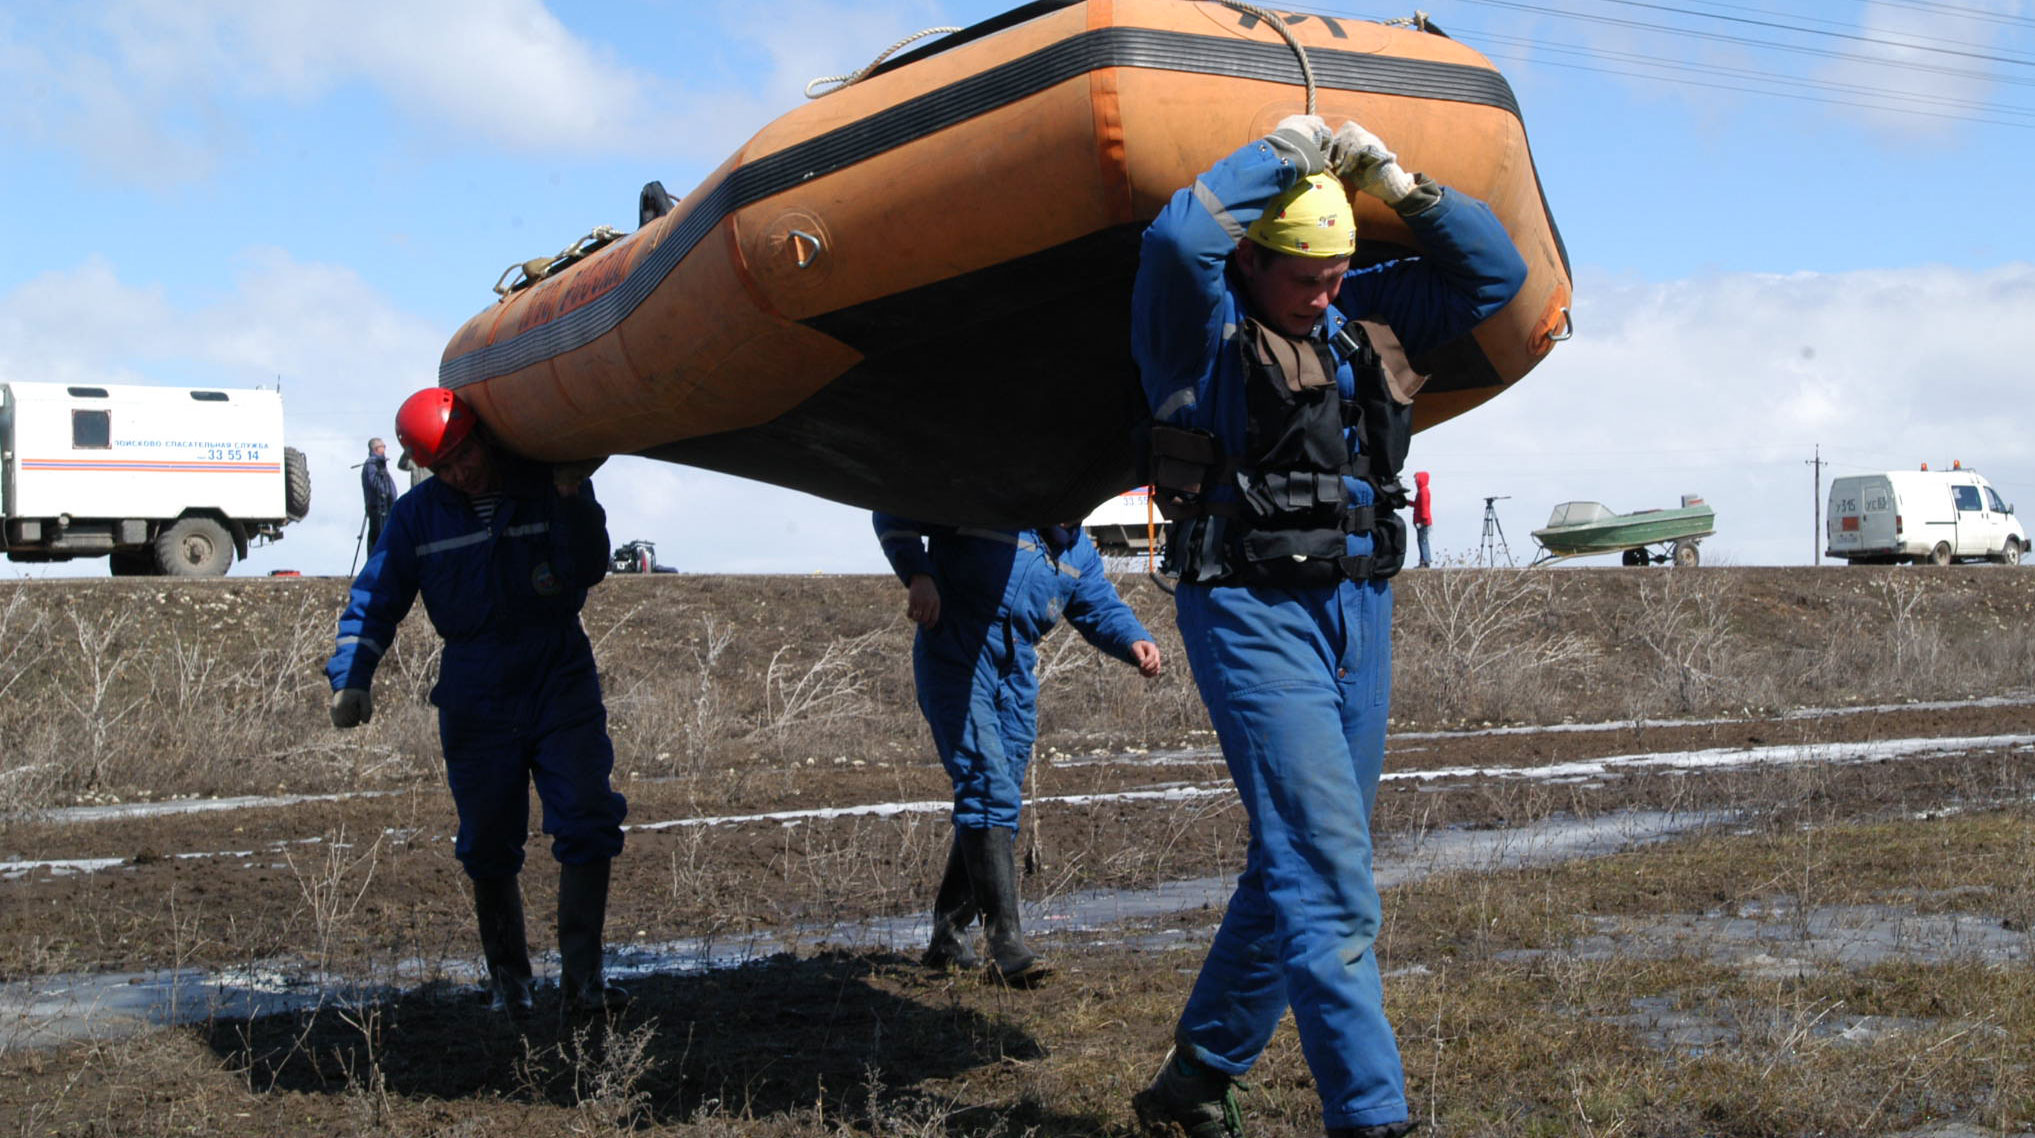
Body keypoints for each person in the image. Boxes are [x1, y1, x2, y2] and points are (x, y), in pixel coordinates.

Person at [1128, 115, 1527, 1137]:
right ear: (1255, 257)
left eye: (1339, 270)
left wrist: (1400, 182)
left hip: (1359, 609)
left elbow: (1491, 277)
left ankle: (1195, 1076)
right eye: (1304, 274)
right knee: (1331, 881)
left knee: (1299, 861)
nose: (1324, 292)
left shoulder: (1361, 316)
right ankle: (1373, 1116)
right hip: (1253, 614)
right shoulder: (1199, 326)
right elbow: (1177, 239)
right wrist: (1286, 155)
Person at [326, 388, 627, 1019]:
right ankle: (510, 986)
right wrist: (354, 674)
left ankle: (585, 985)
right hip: (475, 686)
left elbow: (590, 566)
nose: (462, 471)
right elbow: (378, 594)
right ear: (425, 468)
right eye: (445, 466)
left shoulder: (550, 485)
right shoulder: (417, 517)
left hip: (558, 672)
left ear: (482, 438)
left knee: (588, 818)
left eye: (465, 455)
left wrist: (573, 498)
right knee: (488, 839)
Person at [873, 514, 1162, 985]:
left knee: (997, 791)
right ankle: (1005, 944)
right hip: (957, 655)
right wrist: (919, 573)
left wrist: (1134, 639)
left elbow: (1098, 606)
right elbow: (892, 509)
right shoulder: (987, 502)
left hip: (1015, 674)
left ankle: (948, 935)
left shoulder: (1078, 552)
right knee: (989, 786)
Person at [361, 437, 398, 548]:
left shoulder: (379, 465)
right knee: (380, 541)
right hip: (379, 509)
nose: (385, 450)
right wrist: (388, 495)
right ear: (376, 449)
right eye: (383, 447)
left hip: (385, 508)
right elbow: (375, 484)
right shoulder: (372, 464)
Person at [1411, 471, 1433, 569]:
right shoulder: (1422, 491)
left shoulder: (1423, 491)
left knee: (1423, 541)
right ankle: (1423, 561)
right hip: (1421, 521)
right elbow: (1418, 505)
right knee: (1421, 540)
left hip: (1422, 522)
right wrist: (1407, 502)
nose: (1415, 481)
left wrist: (1423, 520)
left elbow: (1424, 507)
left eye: (1417, 479)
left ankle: (1425, 561)